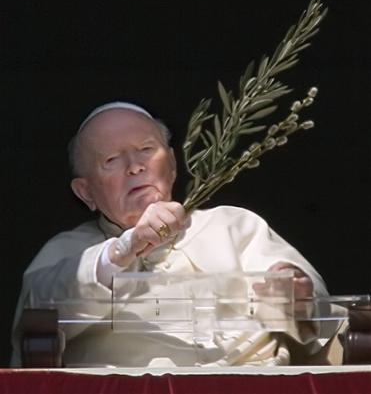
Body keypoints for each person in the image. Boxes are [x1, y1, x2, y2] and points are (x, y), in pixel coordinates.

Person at [11, 102, 334, 367]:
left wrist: (294, 293)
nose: (135, 167)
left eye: (146, 149)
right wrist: (125, 249)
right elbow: (41, 312)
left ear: (174, 165)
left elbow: (315, 313)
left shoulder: (234, 226)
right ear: (85, 193)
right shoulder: (68, 252)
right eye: (111, 160)